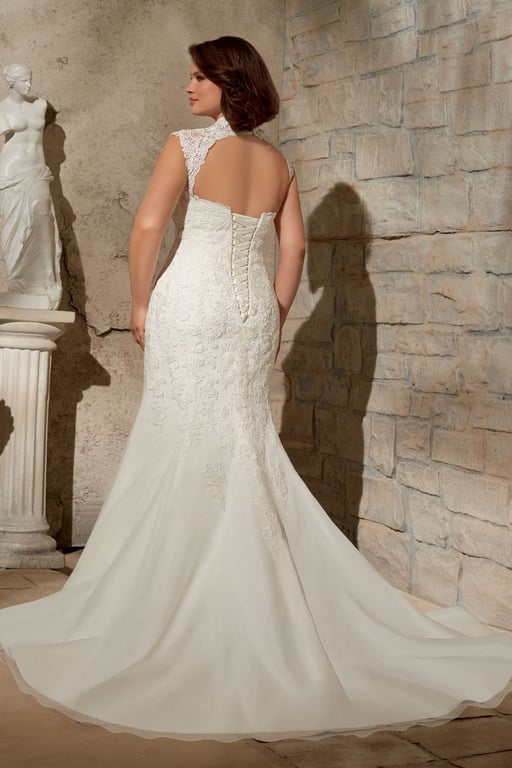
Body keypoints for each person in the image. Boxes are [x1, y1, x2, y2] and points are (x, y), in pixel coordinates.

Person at [0, 37, 511, 742]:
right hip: (248, 311)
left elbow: (148, 225)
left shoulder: (187, 146)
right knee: (241, 440)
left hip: (190, 303)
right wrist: (271, 312)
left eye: (198, 76)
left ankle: (173, 596)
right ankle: (244, 589)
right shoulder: (279, 163)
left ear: (227, 83)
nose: (188, 87)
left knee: (180, 437)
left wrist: (140, 303)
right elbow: (292, 248)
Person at [0, 63, 61, 309]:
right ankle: (18, 286)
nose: (29, 85)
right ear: (11, 83)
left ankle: (47, 281)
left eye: (30, 79)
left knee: (42, 218)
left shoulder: (40, 106)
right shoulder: (2, 109)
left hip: (36, 172)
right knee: (14, 231)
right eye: (24, 81)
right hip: (11, 173)